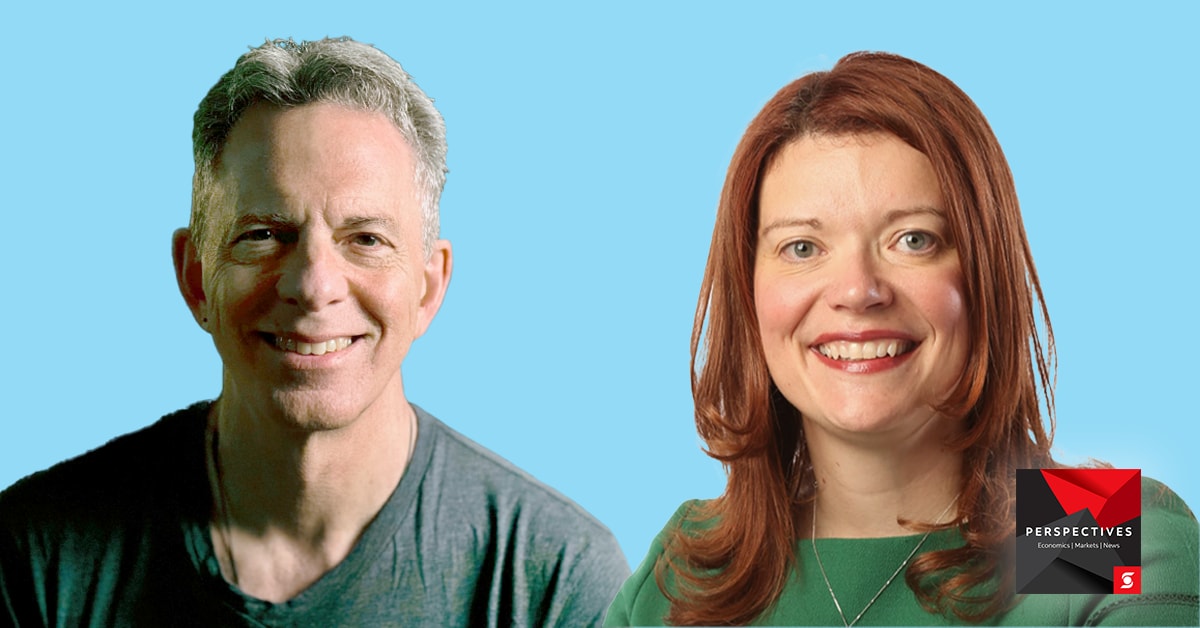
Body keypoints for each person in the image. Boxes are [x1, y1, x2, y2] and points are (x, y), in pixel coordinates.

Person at [0, 37, 628, 626]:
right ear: (196, 278)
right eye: (265, 235)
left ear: (428, 288)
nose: (314, 284)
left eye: (366, 239)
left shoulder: (553, 581)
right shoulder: (37, 558)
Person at [606, 52, 1198, 626]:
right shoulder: (692, 569)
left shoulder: (1091, 531)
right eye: (802, 248)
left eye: (913, 239)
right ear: (749, 291)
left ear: (985, 275)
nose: (858, 291)